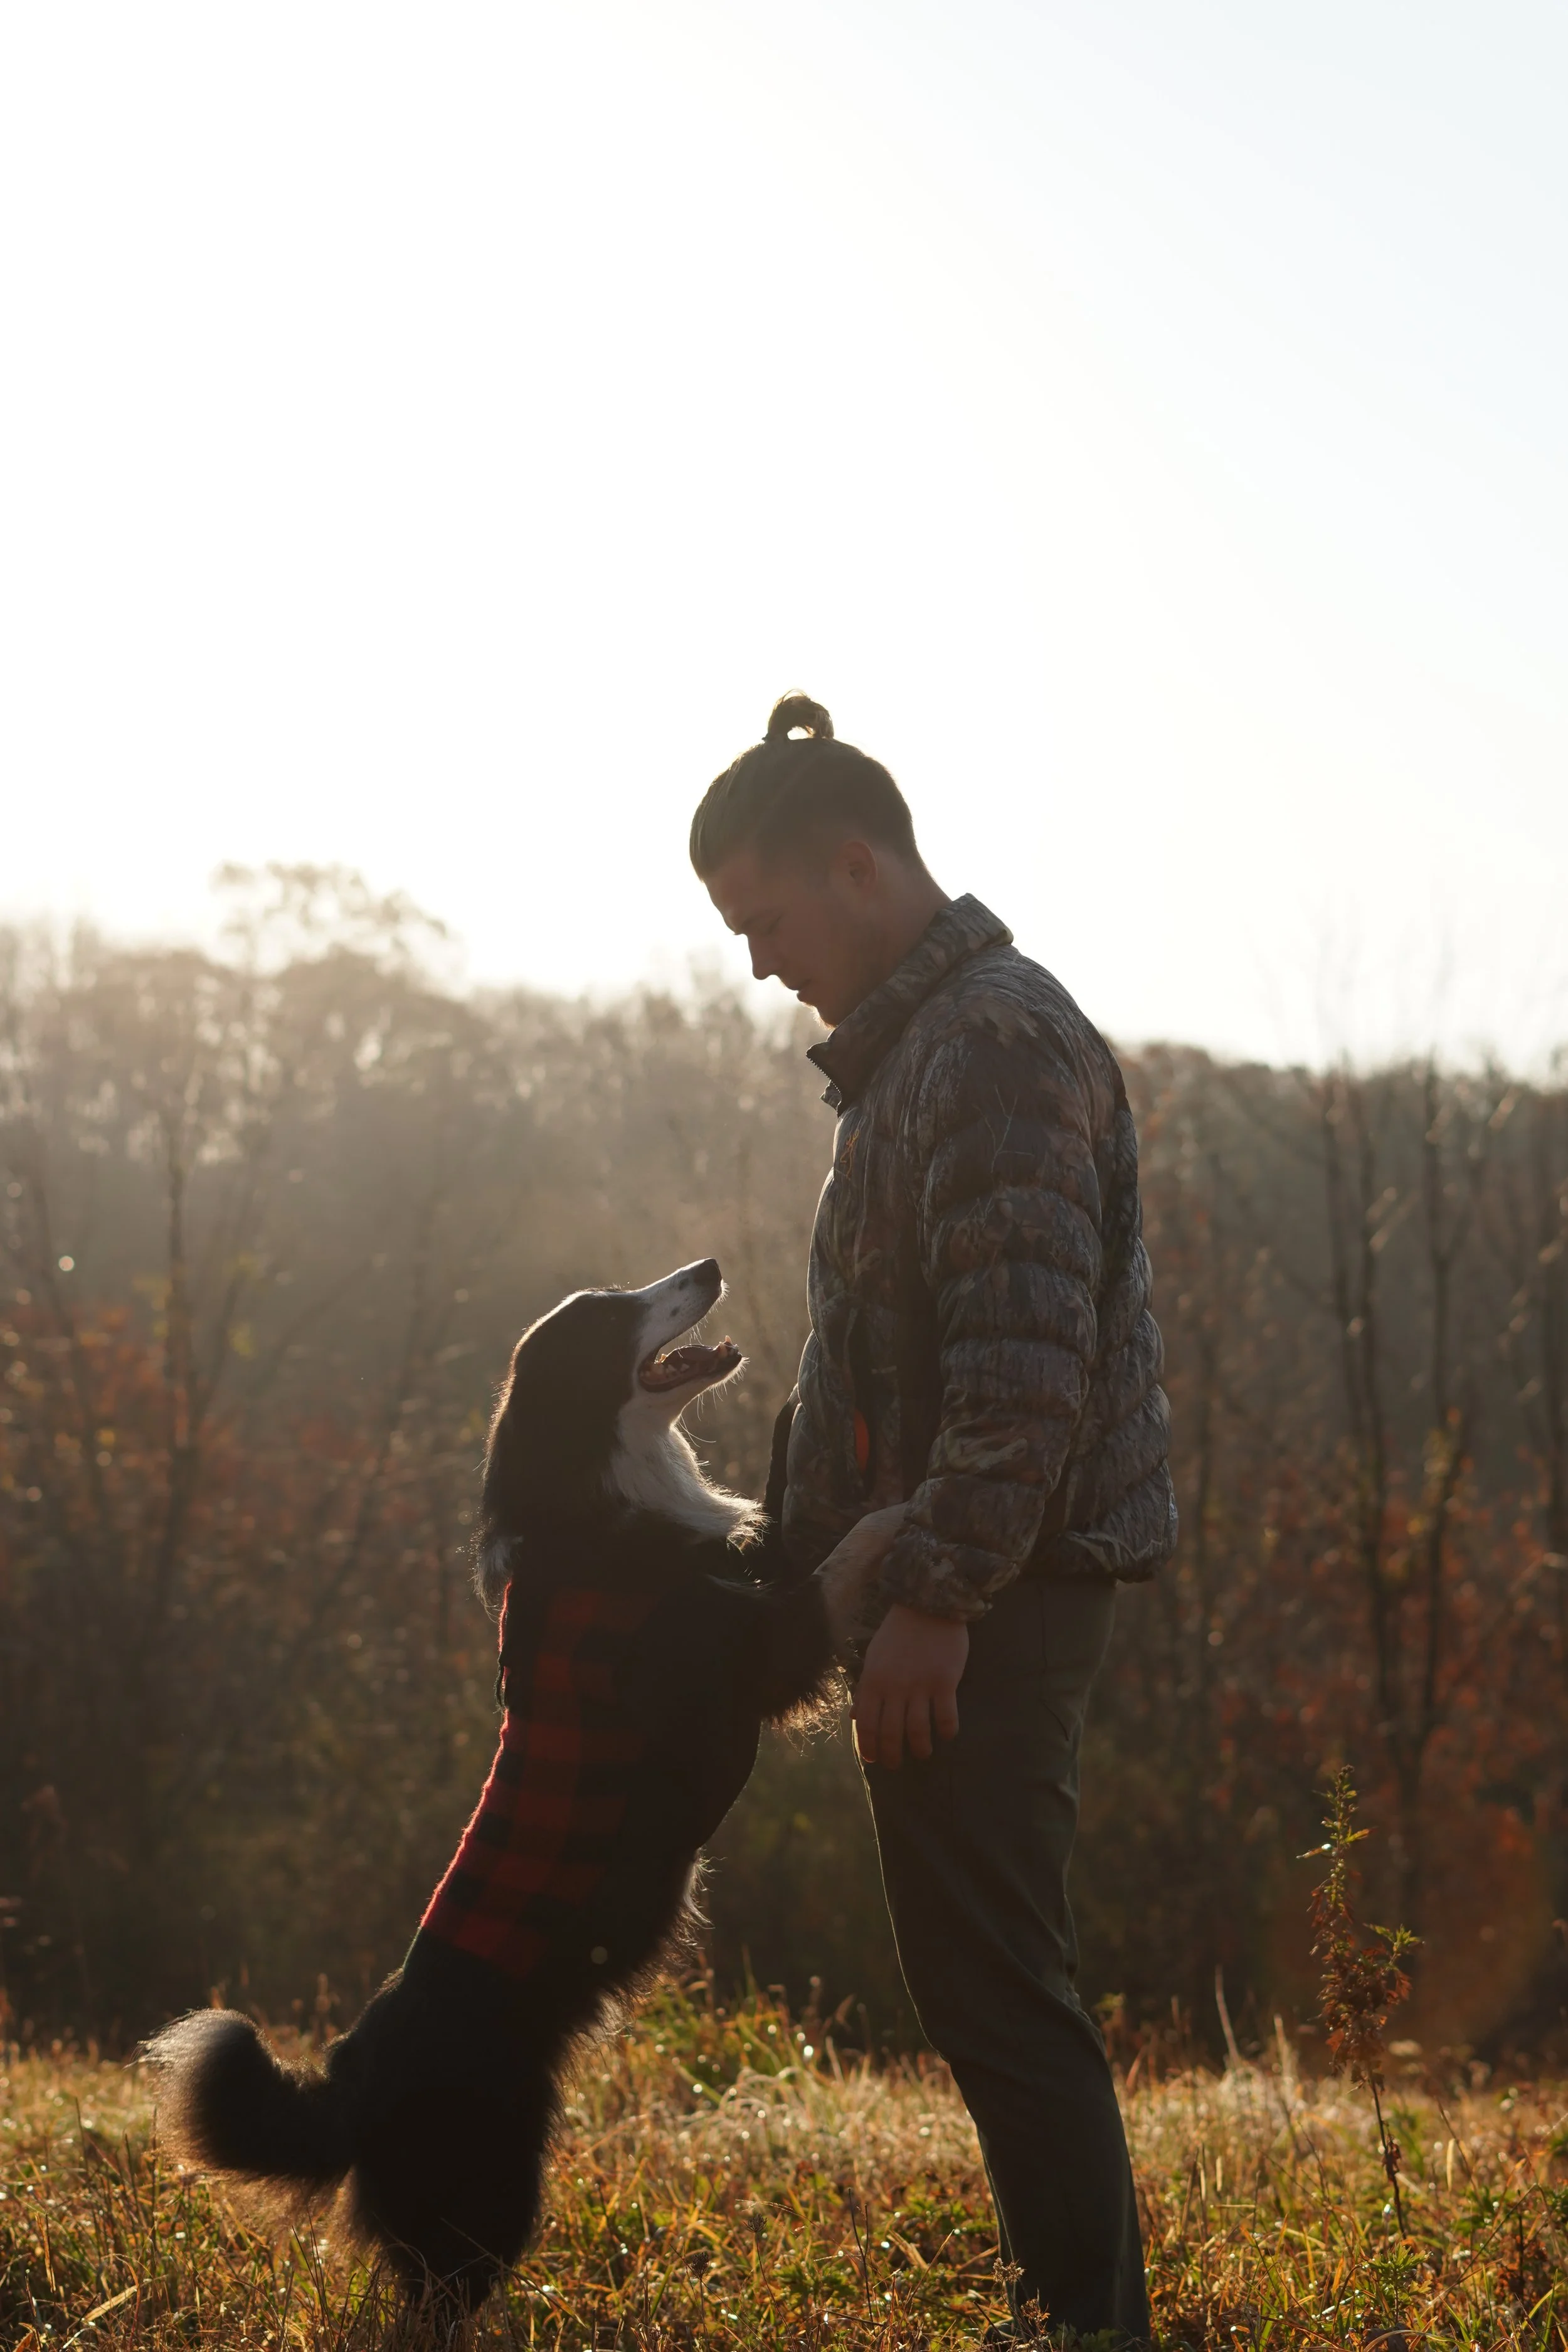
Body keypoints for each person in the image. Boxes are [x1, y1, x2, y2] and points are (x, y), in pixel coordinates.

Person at [690, 694, 1177, 2348]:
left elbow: (1022, 1364)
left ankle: (1087, 2325)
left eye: (764, 921)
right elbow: (894, 1364)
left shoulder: (987, 1046)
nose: (759, 964)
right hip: (953, 1582)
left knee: (998, 1986)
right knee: (977, 1983)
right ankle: (1073, 2310)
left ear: (857, 863)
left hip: (999, 1593)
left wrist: (939, 1591)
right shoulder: (918, 1055)